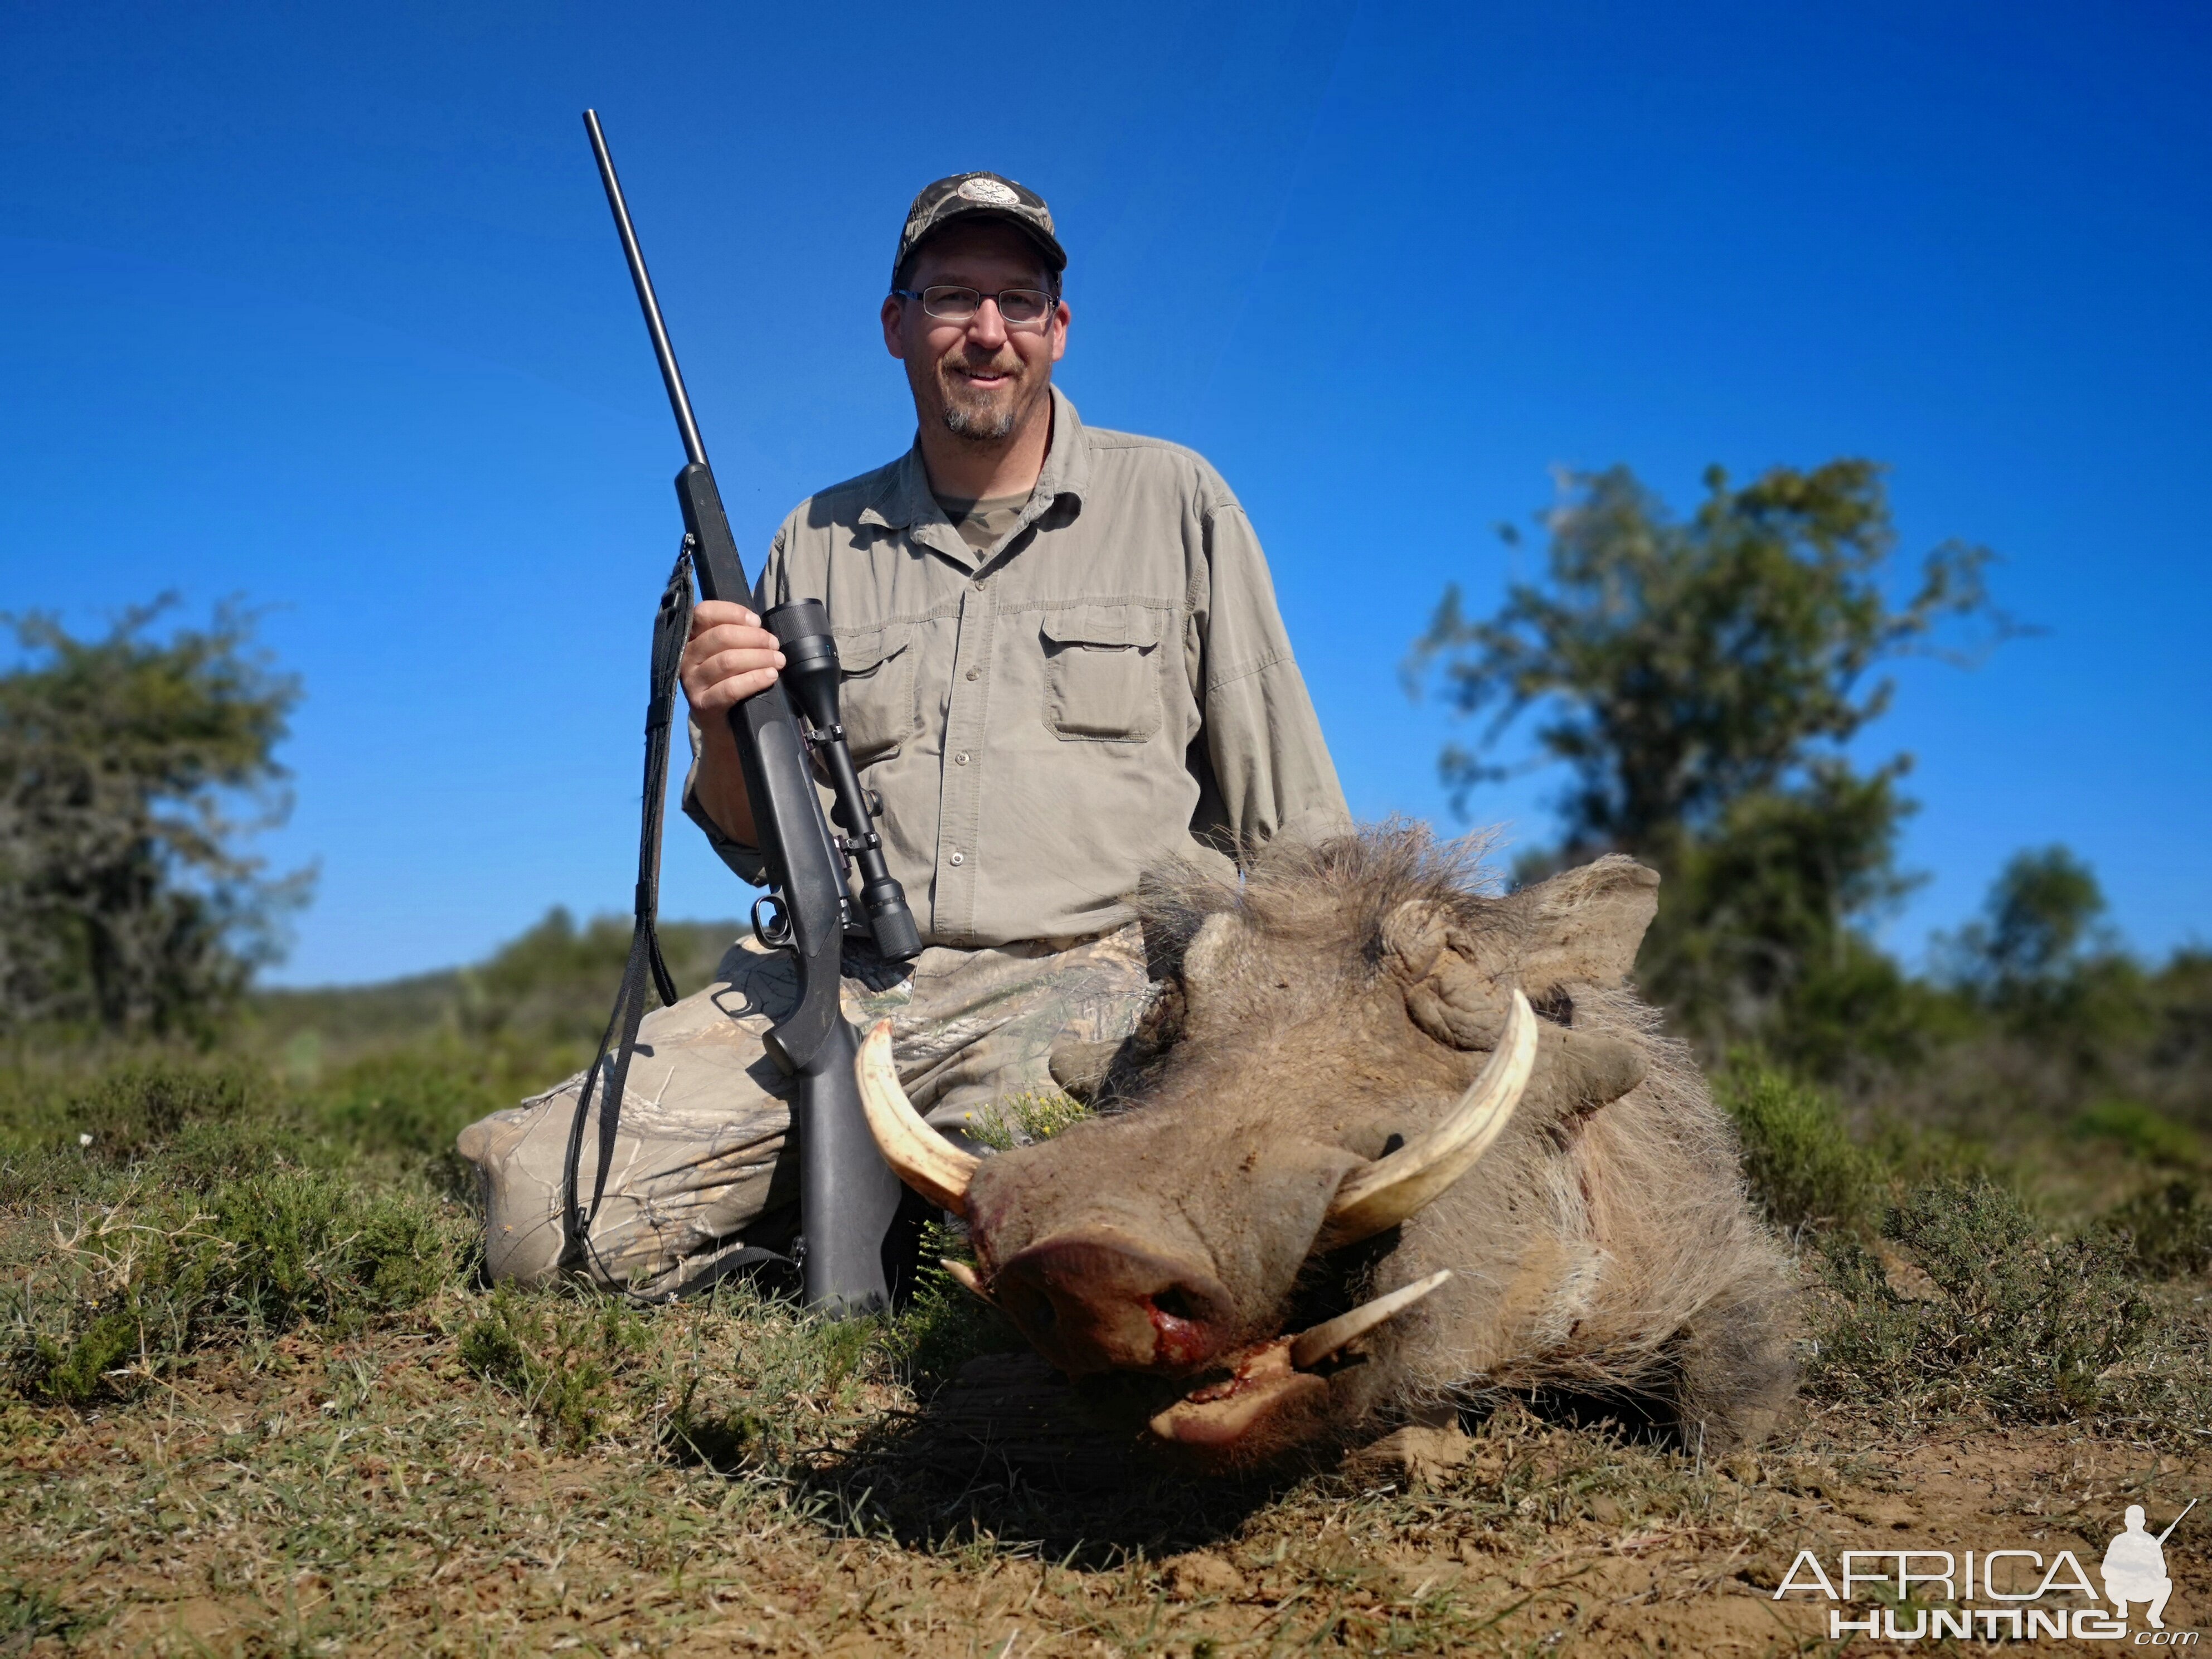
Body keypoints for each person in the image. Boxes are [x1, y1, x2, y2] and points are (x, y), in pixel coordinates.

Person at [458, 170, 1348, 1295]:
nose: (986, 334)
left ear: (1058, 330)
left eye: (1017, 302)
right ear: (896, 325)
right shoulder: (811, 540)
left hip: (1095, 982)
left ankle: (870, 1226)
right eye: (950, 299)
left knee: (1076, 1270)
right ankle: (813, 1223)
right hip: (836, 986)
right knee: (542, 1229)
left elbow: (1298, 822)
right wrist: (721, 719)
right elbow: (754, 844)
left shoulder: (1180, 501)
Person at [2102, 1505, 2175, 1629]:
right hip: (2122, 1588)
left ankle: (2154, 1615)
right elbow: (2106, 1570)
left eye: (2138, 1520)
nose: (2135, 1523)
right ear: (2126, 1522)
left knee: (2166, 1583)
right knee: (2110, 1583)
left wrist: (2150, 1570)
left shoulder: (2151, 1542)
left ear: (2143, 1522)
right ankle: (2122, 1606)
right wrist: (2126, 1572)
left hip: (2144, 1588)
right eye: (2132, 1520)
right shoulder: (2119, 1541)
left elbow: (2162, 1570)